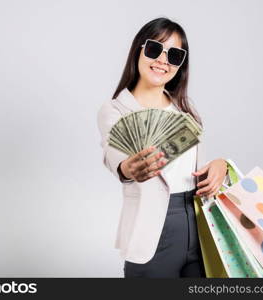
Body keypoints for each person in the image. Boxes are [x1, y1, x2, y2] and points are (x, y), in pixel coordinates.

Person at [96, 17, 229, 278]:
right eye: (155, 49)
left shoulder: (185, 112)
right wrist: (129, 168)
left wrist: (220, 166)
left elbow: (192, 172)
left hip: (199, 225)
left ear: (181, 64)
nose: (163, 60)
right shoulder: (115, 110)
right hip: (152, 233)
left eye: (175, 55)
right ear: (139, 51)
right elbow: (117, 159)